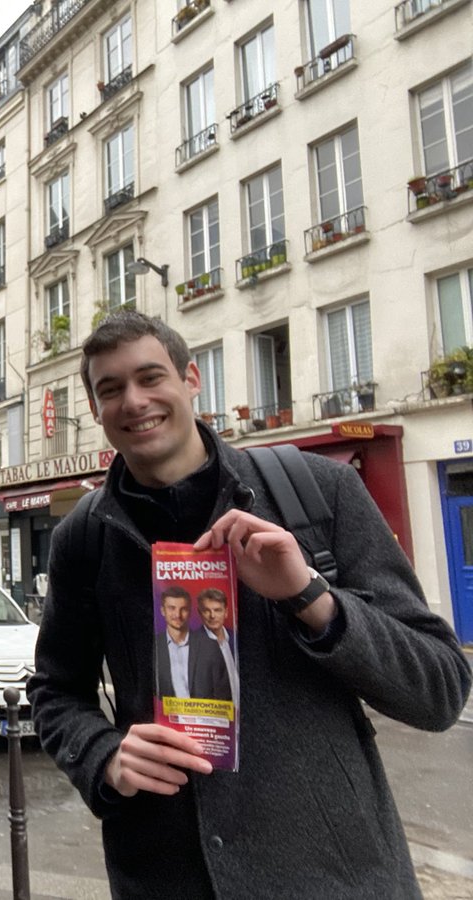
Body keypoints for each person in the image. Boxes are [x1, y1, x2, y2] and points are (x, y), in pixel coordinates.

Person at [29, 309, 471, 898]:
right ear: (95, 410)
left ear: (191, 379)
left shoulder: (318, 492)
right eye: (111, 389)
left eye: (150, 377)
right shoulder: (84, 538)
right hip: (165, 875)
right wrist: (104, 757)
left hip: (333, 877)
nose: (133, 400)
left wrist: (309, 597)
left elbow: (439, 691)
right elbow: (56, 691)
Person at [154, 585, 230, 702]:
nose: (177, 615)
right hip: (166, 717)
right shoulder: (154, 646)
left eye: (183, 609)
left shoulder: (210, 646)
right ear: (163, 611)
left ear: (190, 611)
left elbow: (223, 696)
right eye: (172, 608)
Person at [197, 587, 238, 704]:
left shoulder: (237, 638)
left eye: (217, 610)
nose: (212, 615)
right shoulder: (192, 643)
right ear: (200, 613)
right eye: (206, 610)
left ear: (226, 612)